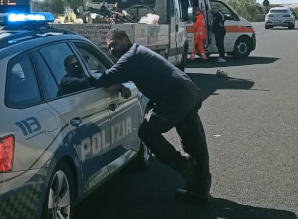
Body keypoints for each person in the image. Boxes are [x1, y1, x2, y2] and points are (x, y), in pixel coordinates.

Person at [90, 30, 212, 202]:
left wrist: (85, 79)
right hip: (188, 91)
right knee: (195, 144)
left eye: (113, 44)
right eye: (108, 47)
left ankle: (182, 165)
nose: (111, 49)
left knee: (147, 132)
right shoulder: (138, 52)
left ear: (125, 40)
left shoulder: (131, 56)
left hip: (175, 97)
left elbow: (105, 78)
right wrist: (119, 85)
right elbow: (119, 75)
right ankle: (200, 191)